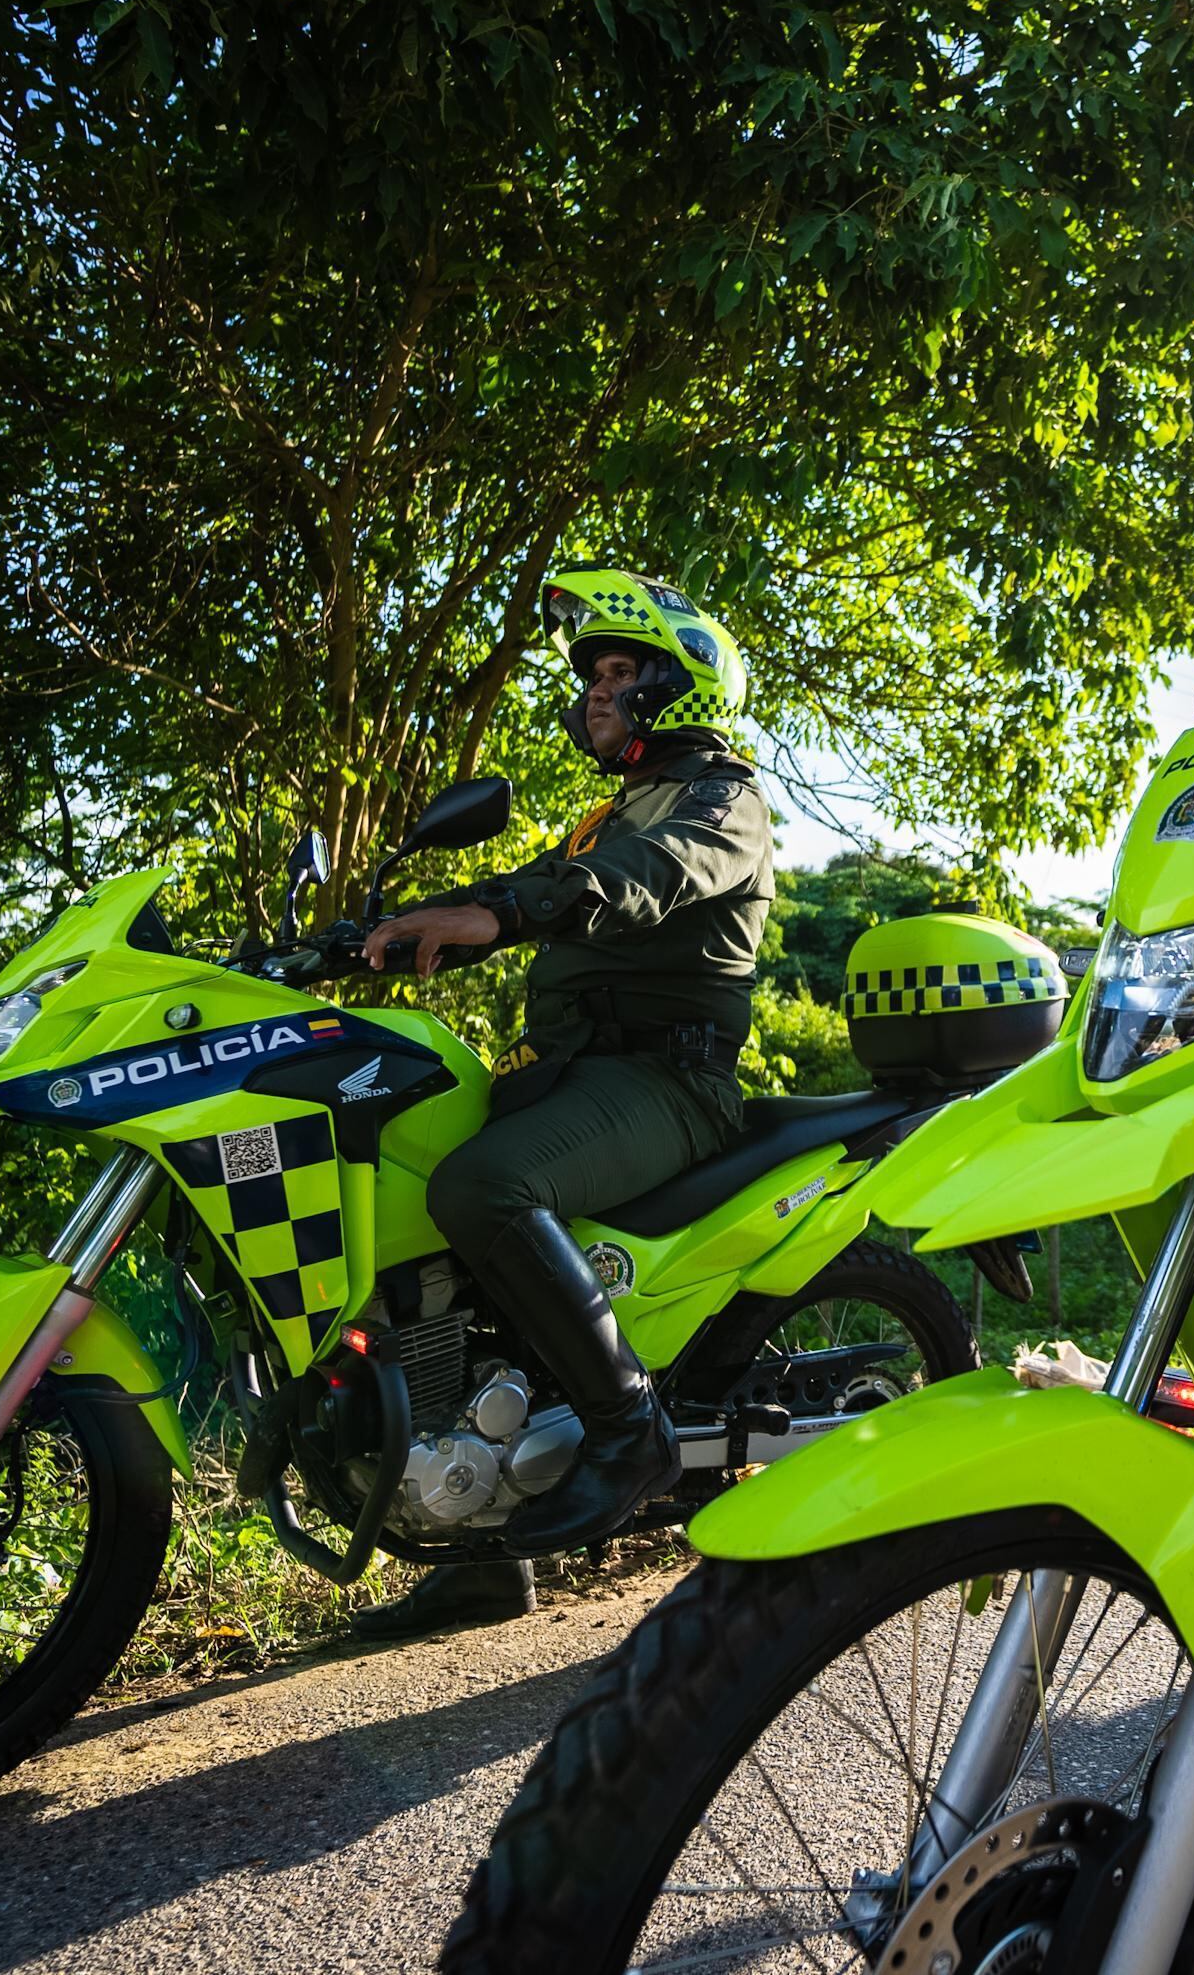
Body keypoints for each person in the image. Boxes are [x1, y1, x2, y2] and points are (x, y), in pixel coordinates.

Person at [346, 569, 771, 1639]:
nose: (595, 690)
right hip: (573, 1075)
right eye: (593, 673)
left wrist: (506, 915)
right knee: (392, 1197)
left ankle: (631, 1432)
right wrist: (405, 925)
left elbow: (648, 875)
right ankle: (489, 1547)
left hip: (668, 1083)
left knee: (483, 1184)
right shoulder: (605, 815)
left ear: (681, 684)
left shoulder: (722, 800)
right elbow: (528, 881)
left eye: (621, 671)